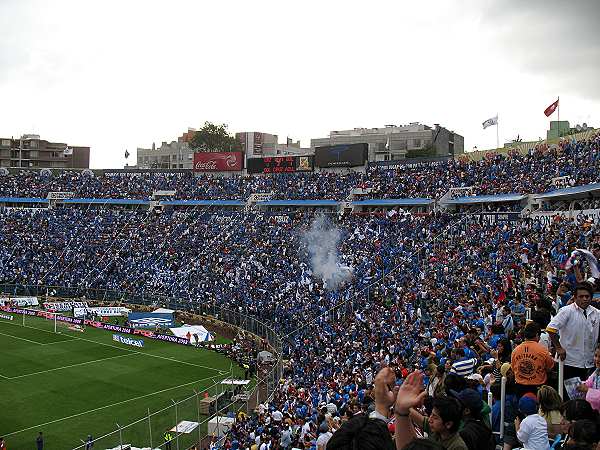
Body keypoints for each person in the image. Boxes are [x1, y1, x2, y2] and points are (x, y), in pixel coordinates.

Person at [510, 322, 554, 396]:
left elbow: (514, 368)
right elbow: (550, 368)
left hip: (520, 388)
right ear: (537, 335)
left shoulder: (515, 351)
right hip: (538, 389)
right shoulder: (543, 351)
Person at [577, 344, 600, 411]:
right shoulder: (597, 371)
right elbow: (589, 382)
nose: (597, 359)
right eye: (596, 356)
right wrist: (581, 385)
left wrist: (587, 390)